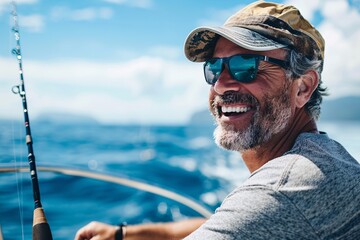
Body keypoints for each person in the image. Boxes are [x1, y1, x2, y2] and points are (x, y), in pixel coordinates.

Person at [75, 1, 360, 239]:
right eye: (214, 67)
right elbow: (236, 221)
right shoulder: (320, 161)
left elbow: (261, 211)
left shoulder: (286, 188)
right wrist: (124, 235)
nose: (222, 84)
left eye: (247, 66)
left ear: (303, 87)